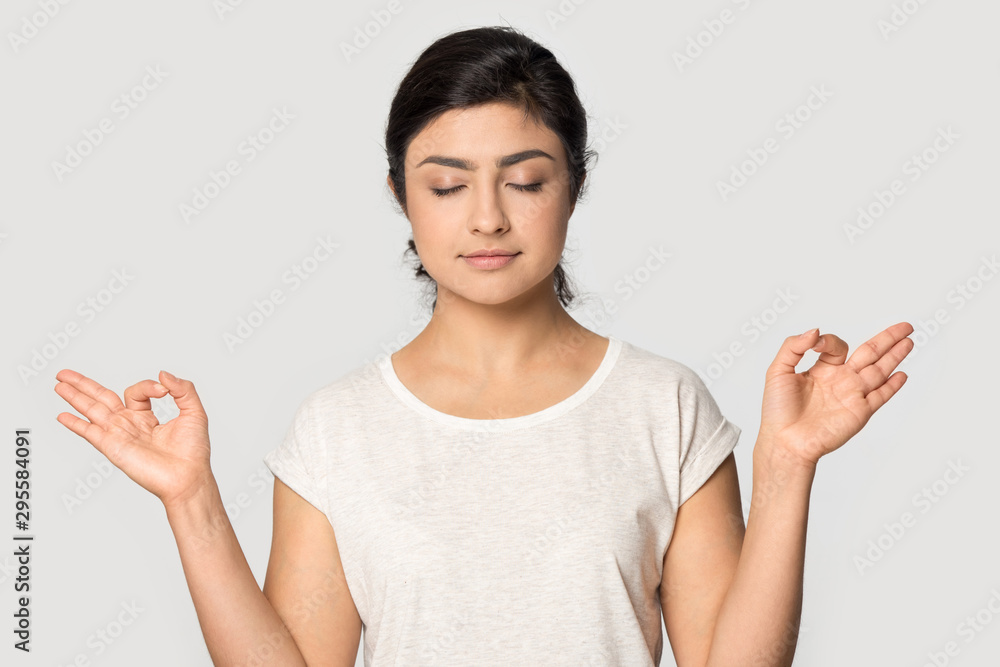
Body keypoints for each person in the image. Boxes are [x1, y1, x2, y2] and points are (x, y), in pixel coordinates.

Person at [53, 25, 914, 666]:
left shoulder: (665, 405)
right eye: (447, 183)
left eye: (527, 178)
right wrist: (190, 499)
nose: (489, 216)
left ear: (574, 184)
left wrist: (789, 466)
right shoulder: (335, 428)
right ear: (402, 195)